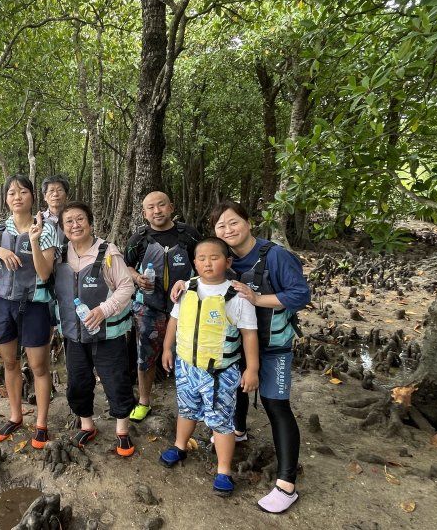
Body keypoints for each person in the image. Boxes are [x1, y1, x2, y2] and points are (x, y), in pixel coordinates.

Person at [211, 200, 310, 512]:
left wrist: (257, 297)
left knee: (275, 405)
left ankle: (286, 484)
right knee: (235, 389)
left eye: (233, 222)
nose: (227, 230)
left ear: (248, 222)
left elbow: (300, 294)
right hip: (234, 344)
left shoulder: (275, 255)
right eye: (220, 226)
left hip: (272, 345)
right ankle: (238, 432)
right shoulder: (223, 258)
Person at [160, 237, 259, 498]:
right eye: (201, 258)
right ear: (194, 263)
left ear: (227, 262)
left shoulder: (237, 295)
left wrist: (252, 369)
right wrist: (166, 349)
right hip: (186, 366)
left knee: (221, 421)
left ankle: (223, 470)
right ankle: (180, 446)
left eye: (214, 258)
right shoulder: (187, 289)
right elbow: (174, 322)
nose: (207, 263)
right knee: (186, 409)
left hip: (220, 373)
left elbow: (249, 334)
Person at [0, 174, 61, 449]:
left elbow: (45, 272)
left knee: (38, 366)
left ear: (32, 197)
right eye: (12, 193)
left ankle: (41, 423)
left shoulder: (47, 229)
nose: (17, 197)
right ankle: (15, 416)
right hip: (2, 303)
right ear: (6, 199)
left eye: (23, 192)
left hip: (35, 303)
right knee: (10, 363)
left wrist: (34, 241)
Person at [55, 202, 136, 456]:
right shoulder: (58, 254)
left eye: (80, 219)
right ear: (62, 228)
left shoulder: (108, 251)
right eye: (69, 221)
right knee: (78, 381)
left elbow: (126, 287)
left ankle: (122, 430)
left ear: (90, 222)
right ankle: (87, 425)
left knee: (116, 381)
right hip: (74, 335)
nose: (75, 225)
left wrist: (103, 309)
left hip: (107, 334)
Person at [123, 191, 200, 422]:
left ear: (171, 207)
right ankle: (144, 401)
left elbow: (206, 261)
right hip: (149, 307)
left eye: (161, 205)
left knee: (188, 355)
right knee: (144, 355)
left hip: (186, 307)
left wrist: (190, 284)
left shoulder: (189, 235)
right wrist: (137, 277)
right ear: (144, 213)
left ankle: (188, 404)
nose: (157, 211)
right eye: (151, 208)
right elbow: (126, 265)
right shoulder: (139, 238)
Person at [40, 174, 70, 241]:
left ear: (66, 195)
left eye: (59, 190)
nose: (55, 194)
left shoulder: (74, 219)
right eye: (51, 190)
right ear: (45, 196)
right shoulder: (39, 219)